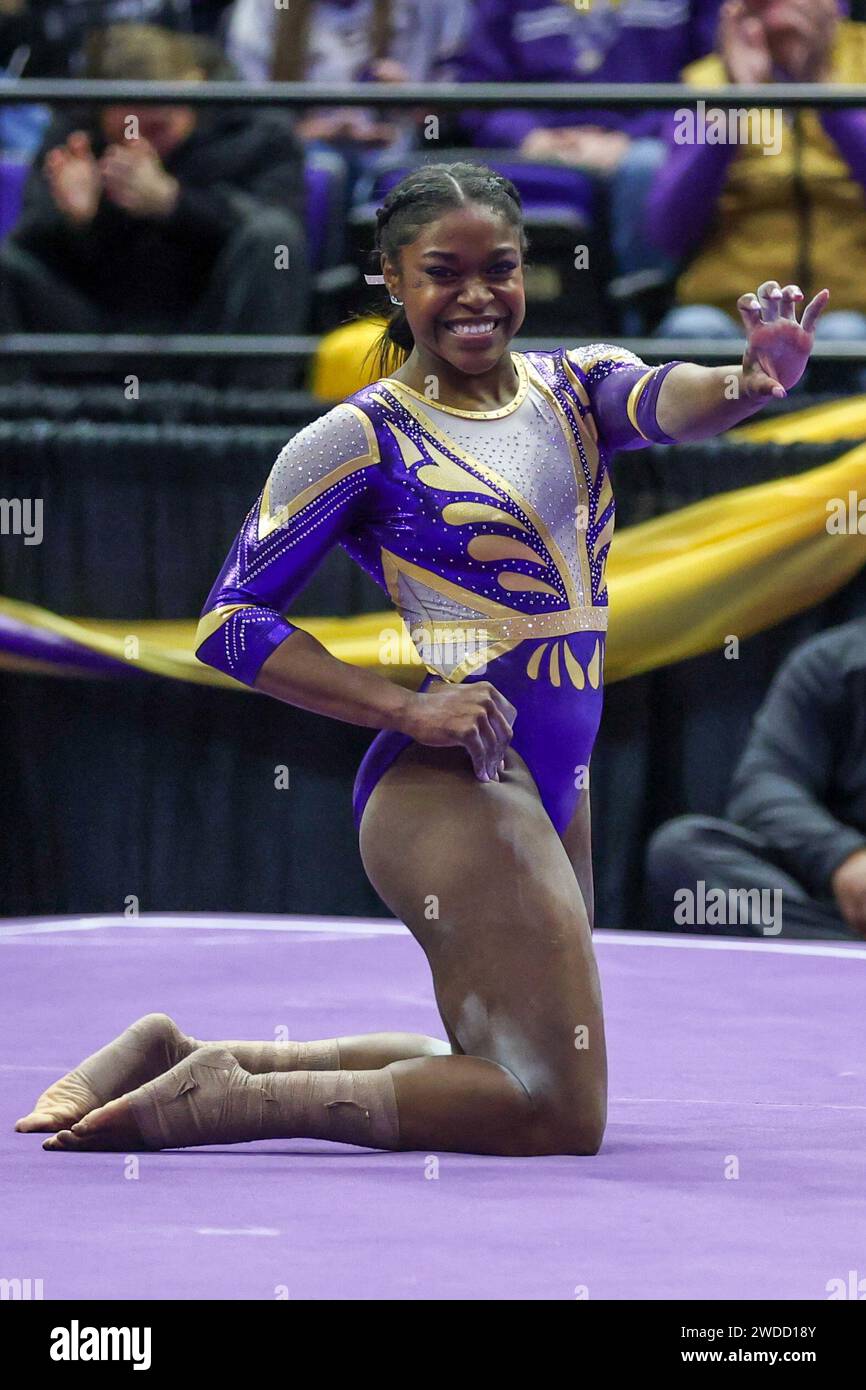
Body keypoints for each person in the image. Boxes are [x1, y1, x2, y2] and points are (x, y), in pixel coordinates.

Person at [18, 162, 829, 1157]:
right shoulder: (355, 439)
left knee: (500, 1060)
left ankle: (187, 1050)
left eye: (500, 268)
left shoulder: (575, 388)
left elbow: (669, 400)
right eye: (443, 272)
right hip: (455, 780)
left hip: (552, 777)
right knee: (558, 1111)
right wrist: (401, 708)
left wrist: (751, 380)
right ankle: (230, 1096)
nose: (477, 296)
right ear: (392, 281)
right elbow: (229, 624)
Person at [0, 23, 310, 388]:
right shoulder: (74, 133)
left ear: (194, 86)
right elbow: (25, 254)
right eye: (127, 130)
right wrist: (76, 221)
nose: (142, 144)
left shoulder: (260, 132)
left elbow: (279, 236)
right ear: (102, 112)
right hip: (97, 331)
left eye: (159, 127)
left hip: (212, 327)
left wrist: (174, 203)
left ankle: (250, 425)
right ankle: (20, 429)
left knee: (274, 236)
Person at [648, 0, 866, 361]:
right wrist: (737, 104)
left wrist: (823, 90)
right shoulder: (707, 82)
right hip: (730, 312)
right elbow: (667, 234)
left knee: (846, 337)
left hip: (849, 308)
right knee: (691, 331)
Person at [646, 617, 866, 941]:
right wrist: (843, 858)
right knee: (682, 851)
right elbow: (762, 789)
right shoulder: (832, 665)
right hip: (843, 909)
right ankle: (836, 958)